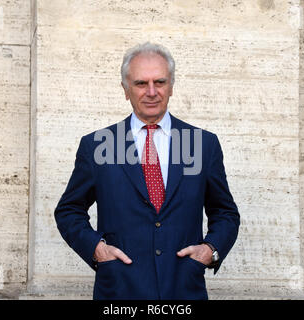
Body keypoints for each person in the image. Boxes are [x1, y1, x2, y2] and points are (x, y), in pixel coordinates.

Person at [54, 42, 240, 300]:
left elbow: (225, 212)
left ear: (171, 86)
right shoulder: (99, 145)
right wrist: (96, 249)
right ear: (125, 89)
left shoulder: (201, 144)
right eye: (141, 83)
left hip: (184, 291)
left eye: (160, 82)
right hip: (119, 292)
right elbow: (69, 210)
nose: (151, 92)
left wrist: (210, 249)